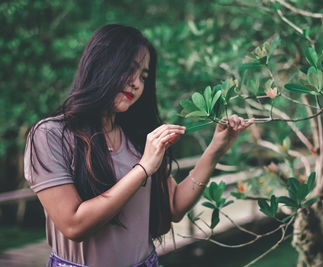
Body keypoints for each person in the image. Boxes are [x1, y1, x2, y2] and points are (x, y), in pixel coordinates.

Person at [24, 24, 252, 267]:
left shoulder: (138, 136)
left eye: (143, 77)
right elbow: (74, 224)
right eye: (129, 70)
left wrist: (215, 150)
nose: (136, 83)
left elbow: (173, 208)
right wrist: (143, 168)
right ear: (100, 65)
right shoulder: (51, 135)